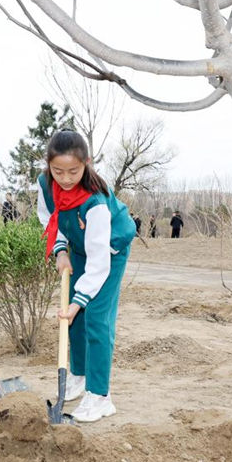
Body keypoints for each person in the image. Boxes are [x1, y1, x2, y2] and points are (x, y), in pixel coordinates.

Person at [37, 129, 136, 423]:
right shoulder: (46, 183)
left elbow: (98, 264)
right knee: (75, 321)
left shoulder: (96, 203)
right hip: (78, 247)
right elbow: (48, 216)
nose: (65, 179)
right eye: (58, 171)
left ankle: (100, 396)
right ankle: (78, 376)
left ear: (87, 163)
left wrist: (79, 301)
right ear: (49, 166)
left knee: (94, 319)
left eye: (73, 171)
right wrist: (60, 250)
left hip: (109, 251)